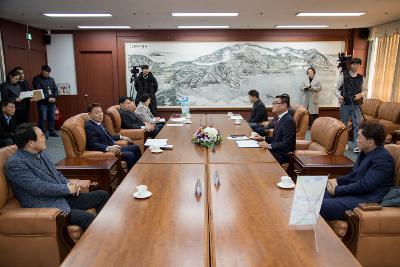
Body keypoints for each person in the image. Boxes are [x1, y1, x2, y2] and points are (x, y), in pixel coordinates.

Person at [5, 123, 109, 230]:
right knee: (87, 217)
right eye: (41, 136)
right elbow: (37, 187)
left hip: (61, 197)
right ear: (31, 143)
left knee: (102, 195)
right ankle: (101, 242)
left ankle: (108, 230)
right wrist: (67, 188)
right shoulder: (15, 164)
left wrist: (69, 184)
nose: (45, 139)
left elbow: (56, 174)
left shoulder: (41, 153)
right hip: (46, 206)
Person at [320, 121, 394, 221]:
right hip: (356, 193)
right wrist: (336, 181)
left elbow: (366, 185)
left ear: (370, 142)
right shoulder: (365, 152)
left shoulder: (383, 159)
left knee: (320, 204)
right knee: (317, 195)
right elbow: (354, 175)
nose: (356, 140)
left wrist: (338, 190)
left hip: (367, 200)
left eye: (359, 137)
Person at [85, 103, 141, 170]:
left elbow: (109, 136)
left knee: (136, 147)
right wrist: (109, 148)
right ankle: (131, 174)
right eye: (97, 113)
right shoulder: (90, 126)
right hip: (108, 151)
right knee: (130, 155)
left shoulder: (98, 123)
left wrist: (121, 137)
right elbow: (93, 144)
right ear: (89, 114)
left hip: (114, 147)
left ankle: (138, 168)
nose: (100, 114)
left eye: (101, 112)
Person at [334, 58, 368, 153]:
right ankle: (344, 143)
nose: (355, 66)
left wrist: (360, 95)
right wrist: (339, 96)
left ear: (359, 66)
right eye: (353, 64)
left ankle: (358, 145)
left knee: (357, 125)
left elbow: (365, 90)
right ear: (350, 65)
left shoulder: (361, 78)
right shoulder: (343, 76)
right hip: (345, 105)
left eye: (357, 64)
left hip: (357, 105)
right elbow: (335, 88)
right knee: (343, 125)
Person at [255, 94, 296, 164]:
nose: (272, 105)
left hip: (282, 155)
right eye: (272, 103)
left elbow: (287, 144)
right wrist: (263, 138)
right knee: (255, 152)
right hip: (276, 150)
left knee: (257, 156)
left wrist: (268, 146)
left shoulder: (288, 120)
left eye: (275, 103)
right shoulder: (280, 118)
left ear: (284, 105)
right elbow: (275, 139)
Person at [32, 65, 59, 137]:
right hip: (42, 102)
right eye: (46, 72)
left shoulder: (51, 79)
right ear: (42, 70)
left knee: (52, 117)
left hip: (52, 102)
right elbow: (38, 91)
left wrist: (54, 97)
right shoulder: (36, 79)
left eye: (49, 72)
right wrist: (48, 98)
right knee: (43, 117)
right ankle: (42, 133)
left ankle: (51, 131)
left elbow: (55, 89)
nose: (47, 73)